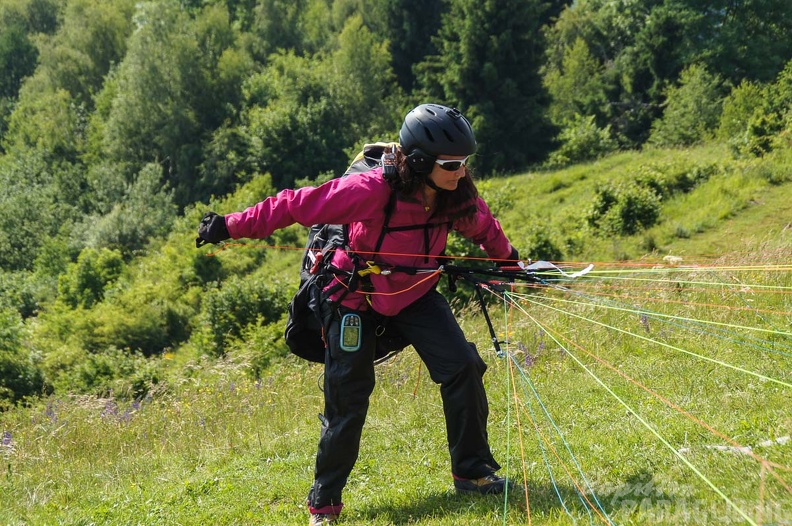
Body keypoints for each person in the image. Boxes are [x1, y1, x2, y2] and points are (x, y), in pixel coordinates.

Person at [196, 103, 520, 526]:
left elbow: (484, 228)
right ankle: (324, 505)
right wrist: (229, 226)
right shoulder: (371, 191)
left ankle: (472, 472)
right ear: (420, 162)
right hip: (353, 296)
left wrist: (511, 263)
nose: (462, 172)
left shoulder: (456, 197)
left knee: (462, 366)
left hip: (415, 295)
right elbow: (295, 205)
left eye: (465, 163)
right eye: (452, 164)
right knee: (348, 398)